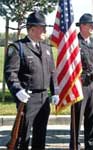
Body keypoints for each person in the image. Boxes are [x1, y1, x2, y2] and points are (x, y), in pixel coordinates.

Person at [4, 11, 59, 150]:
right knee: (23, 135)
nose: (45, 30)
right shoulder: (18, 48)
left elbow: (52, 73)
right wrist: (17, 90)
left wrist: (55, 91)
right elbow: (10, 73)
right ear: (32, 29)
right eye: (42, 27)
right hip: (28, 99)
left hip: (43, 98)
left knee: (41, 134)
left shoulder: (46, 48)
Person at [69, 13, 93, 150]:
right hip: (80, 84)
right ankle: (75, 145)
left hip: (92, 84)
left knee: (91, 115)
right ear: (82, 26)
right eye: (90, 25)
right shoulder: (75, 43)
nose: (92, 27)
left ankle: (90, 143)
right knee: (78, 116)